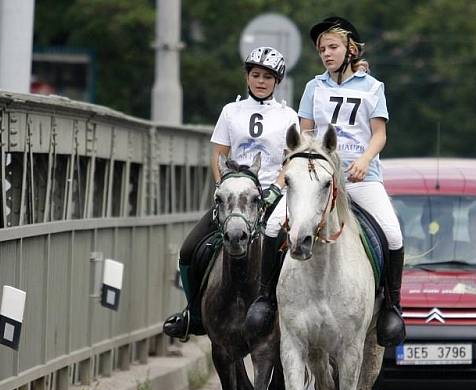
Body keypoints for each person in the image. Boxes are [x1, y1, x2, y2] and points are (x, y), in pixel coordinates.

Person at [162, 47, 299, 340]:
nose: (260, 81)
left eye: (267, 77)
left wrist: (275, 189)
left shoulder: (288, 115)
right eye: (255, 75)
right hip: (234, 198)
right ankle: (194, 314)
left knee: (299, 248)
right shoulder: (230, 111)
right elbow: (218, 155)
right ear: (247, 77)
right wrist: (223, 188)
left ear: (277, 81)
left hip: (272, 197)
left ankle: (295, 316)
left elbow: (291, 160)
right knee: (188, 250)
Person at [296, 16, 405, 347]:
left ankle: (391, 308)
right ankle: (266, 300)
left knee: (393, 235)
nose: (326, 54)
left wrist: (364, 160)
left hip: (361, 177)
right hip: (319, 180)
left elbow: (379, 134)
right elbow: (304, 133)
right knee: (276, 227)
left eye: (333, 47)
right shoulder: (314, 87)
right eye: (321, 49)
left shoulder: (373, 88)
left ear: (350, 49)